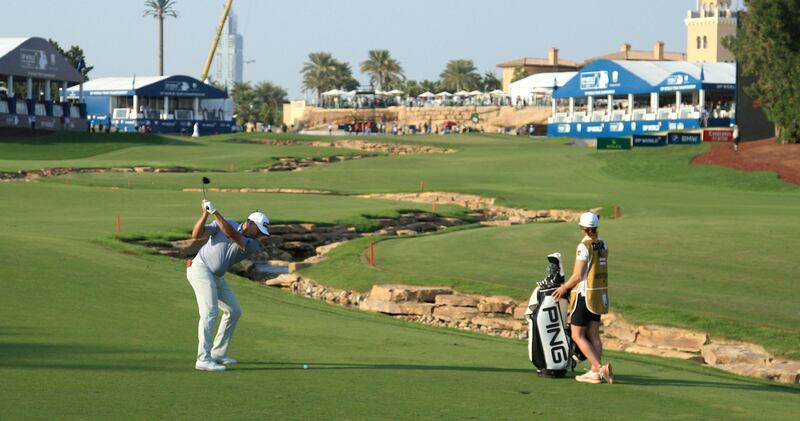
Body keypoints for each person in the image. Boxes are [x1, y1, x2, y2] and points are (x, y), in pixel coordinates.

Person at [186, 199, 270, 371]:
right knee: (209, 312)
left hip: (217, 276)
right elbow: (196, 235)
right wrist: (204, 213)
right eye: (259, 230)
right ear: (250, 223)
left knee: (234, 311)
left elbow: (232, 234)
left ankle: (217, 353)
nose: (260, 235)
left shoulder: (252, 244)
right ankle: (203, 359)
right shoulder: (227, 223)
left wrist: (215, 212)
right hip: (200, 269)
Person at [552, 212, 613, 384]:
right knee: (593, 333)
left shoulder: (583, 247)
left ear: (582, 229)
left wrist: (564, 287)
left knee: (577, 334)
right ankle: (595, 371)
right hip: (598, 295)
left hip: (584, 295)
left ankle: (599, 368)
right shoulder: (603, 244)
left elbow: (578, 275)